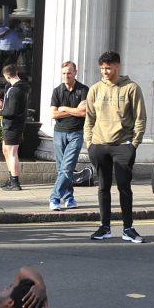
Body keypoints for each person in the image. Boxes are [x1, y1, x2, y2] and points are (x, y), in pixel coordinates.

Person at [84, 51, 147, 242]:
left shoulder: (131, 88)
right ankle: (105, 227)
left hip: (123, 145)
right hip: (99, 144)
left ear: (117, 66)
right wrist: (89, 143)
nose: (104, 71)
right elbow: (89, 118)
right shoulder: (95, 89)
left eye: (108, 68)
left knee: (124, 187)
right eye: (102, 68)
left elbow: (140, 118)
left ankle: (128, 228)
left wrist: (133, 144)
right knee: (103, 187)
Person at [48, 61, 88, 211]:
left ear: (75, 72)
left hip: (76, 133)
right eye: (64, 73)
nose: (66, 75)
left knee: (67, 167)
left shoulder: (83, 90)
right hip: (59, 133)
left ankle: (54, 197)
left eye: (69, 72)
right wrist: (73, 110)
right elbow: (53, 114)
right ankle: (69, 197)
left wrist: (63, 108)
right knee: (62, 169)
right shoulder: (57, 91)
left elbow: (83, 112)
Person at [0, 64, 29, 190]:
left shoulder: (15, 90)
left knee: (12, 152)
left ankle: (15, 182)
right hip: (12, 125)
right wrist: (4, 105)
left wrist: (0, 112)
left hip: (13, 125)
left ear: (7, 75)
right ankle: (11, 179)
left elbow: (12, 111)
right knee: (6, 151)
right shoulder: (17, 88)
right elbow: (13, 107)